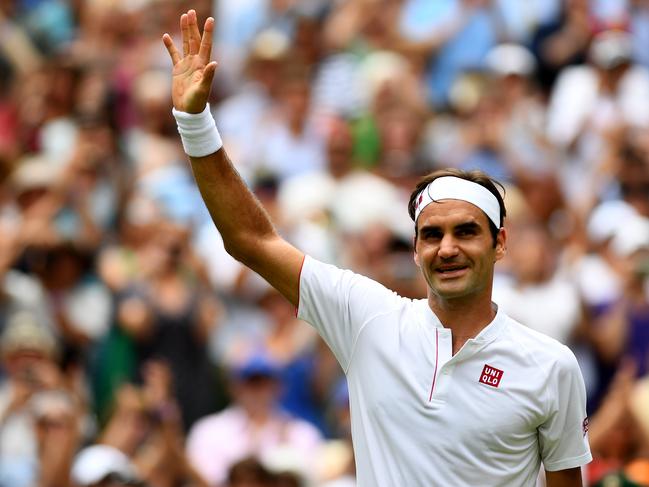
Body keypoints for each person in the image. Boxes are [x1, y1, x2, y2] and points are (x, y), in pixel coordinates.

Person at [162, 10, 592, 486]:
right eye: (431, 235)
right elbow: (251, 240)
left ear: (500, 244)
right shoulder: (368, 319)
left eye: (466, 232)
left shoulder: (550, 365)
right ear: (414, 250)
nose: (447, 248)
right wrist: (195, 122)